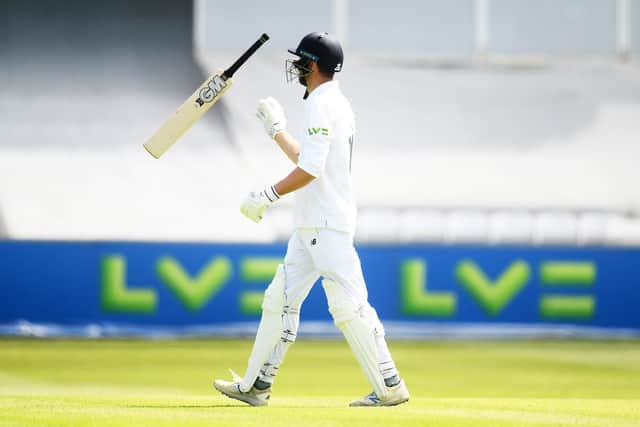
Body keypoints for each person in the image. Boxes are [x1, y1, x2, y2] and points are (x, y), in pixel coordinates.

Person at [214, 32, 409, 407]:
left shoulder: (321, 105)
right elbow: (309, 159)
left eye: (301, 61)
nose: (297, 67)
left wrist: (267, 195)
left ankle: (389, 385)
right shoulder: (331, 102)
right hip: (312, 225)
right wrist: (277, 132)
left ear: (313, 64)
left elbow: (312, 170)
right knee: (279, 302)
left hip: (324, 223)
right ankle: (256, 385)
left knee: (348, 305)